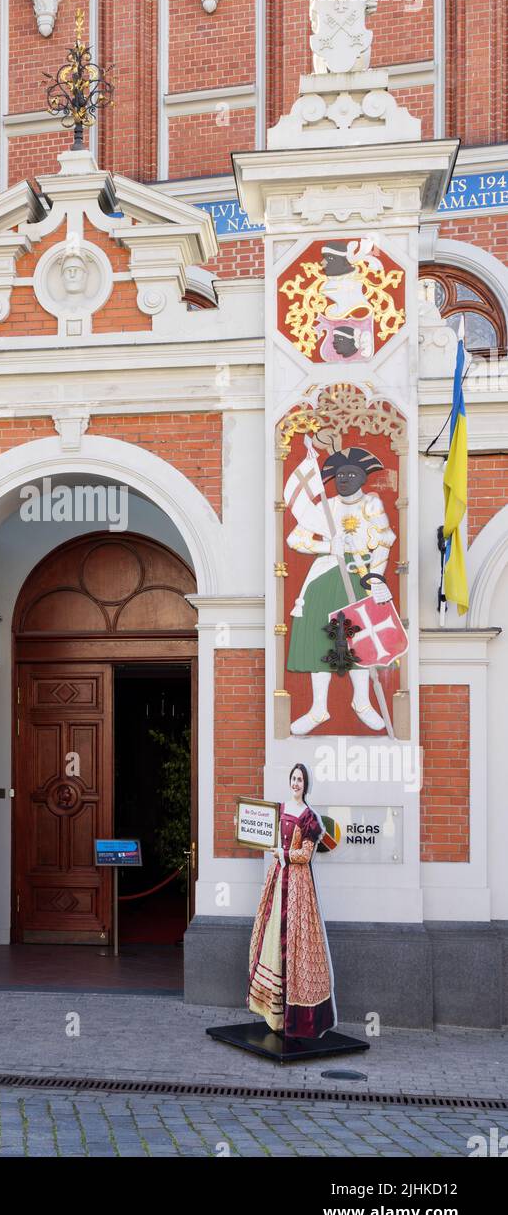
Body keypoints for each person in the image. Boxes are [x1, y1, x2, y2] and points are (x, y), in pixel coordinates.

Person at [286, 445, 395, 734]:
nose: (344, 479)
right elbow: (295, 539)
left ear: (362, 477)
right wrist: (326, 546)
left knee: (358, 638)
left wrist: (376, 580)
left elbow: (384, 541)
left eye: (350, 473)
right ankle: (319, 708)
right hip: (325, 576)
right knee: (319, 638)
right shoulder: (327, 507)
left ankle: (362, 702)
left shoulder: (371, 504)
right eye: (340, 474)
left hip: (359, 574)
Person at [247, 763, 336, 1039]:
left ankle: (298, 1017)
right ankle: (273, 1014)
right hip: (279, 880)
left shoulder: (308, 817)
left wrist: (284, 854)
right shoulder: (280, 809)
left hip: (298, 885)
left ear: (306, 785)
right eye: (294, 778)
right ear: (289, 782)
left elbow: (306, 855)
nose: (297, 783)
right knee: (273, 936)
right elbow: (263, 833)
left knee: (298, 942)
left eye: (301, 779)